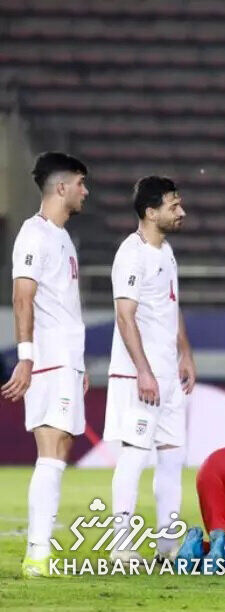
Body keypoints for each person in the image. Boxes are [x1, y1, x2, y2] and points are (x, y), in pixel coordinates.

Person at [2, 152, 90, 578]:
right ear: (61, 187)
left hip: (65, 360)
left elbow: (63, 305)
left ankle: (40, 551)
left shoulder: (62, 237)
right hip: (48, 359)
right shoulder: (33, 235)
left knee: (60, 449)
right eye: (80, 184)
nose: (84, 192)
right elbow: (23, 296)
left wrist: (79, 364)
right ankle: (38, 554)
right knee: (51, 450)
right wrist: (26, 359)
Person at [103, 176, 195, 561]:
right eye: (174, 206)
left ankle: (167, 546)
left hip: (168, 375)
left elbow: (170, 307)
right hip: (141, 376)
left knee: (173, 458)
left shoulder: (166, 251)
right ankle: (121, 547)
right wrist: (143, 371)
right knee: (135, 454)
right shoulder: (132, 253)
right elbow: (125, 316)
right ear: (150, 211)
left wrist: (185, 353)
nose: (182, 212)